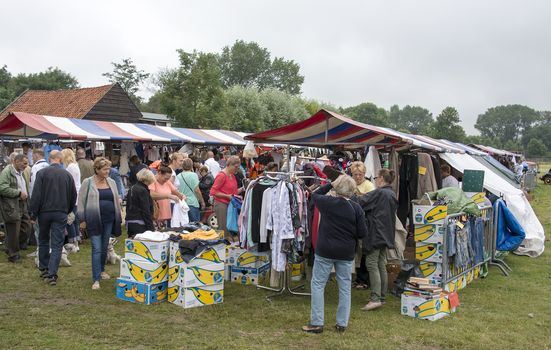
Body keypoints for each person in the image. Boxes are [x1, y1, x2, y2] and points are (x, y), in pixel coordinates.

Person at [302, 175, 367, 334]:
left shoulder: (327, 203)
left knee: (318, 284)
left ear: (337, 188)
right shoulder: (356, 208)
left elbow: (315, 195)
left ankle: (317, 323)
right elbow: (362, 233)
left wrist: (330, 184)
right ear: (352, 190)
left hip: (325, 249)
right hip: (345, 251)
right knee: (344, 287)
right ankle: (341, 324)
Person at [29, 150, 77, 285]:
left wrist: (33, 213)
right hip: (60, 212)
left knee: (43, 240)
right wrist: (67, 210)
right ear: (61, 160)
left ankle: (44, 268)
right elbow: (73, 196)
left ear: (49, 159)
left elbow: (36, 195)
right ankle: (52, 274)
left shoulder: (42, 173)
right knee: (57, 244)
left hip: (44, 212)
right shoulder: (67, 175)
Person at [357, 169, 398, 311]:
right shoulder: (391, 193)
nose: (375, 180)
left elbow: (362, 202)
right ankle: (382, 297)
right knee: (381, 264)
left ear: (381, 178)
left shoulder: (380, 192)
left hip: (376, 233)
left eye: (376, 177)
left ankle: (375, 298)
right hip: (386, 233)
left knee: (372, 263)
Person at [78, 157, 122, 290]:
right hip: (93, 219)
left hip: (109, 219)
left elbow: (116, 197)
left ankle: (102, 270)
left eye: (108, 168)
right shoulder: (88, 182)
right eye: (104, 169)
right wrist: (82, 220)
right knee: (96, 248)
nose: (107, 171)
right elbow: (81, 201)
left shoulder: (112, 182)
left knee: (104, 247)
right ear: (97, 169)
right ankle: (96, 278)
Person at [349, 161, 376, 290]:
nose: (358, 177)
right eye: (355, 174)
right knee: (357, 251)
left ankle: (364, 280)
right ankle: (358, 277)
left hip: (366, 222)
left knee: (364, 251)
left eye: (360, 174)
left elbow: (368, 202)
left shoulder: (369, 186)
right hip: (353, 221)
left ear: (364, 174)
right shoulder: (350, 184)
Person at [0, 153, 32, 263]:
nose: (26, 166)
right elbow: (2, 188)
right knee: (13, 230)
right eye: (24, 163)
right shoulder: (7, 172)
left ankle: (10, 247)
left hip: (22, 203)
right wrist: (18, 193)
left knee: (27, 227)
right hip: (12, 205)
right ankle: (13, 254)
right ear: (16, 161)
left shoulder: (20, 172)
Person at [210, 155, 241, 237]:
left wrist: (244, 188)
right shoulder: (222, 175)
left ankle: (227, 245)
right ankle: (222, 246)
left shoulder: (232, 175)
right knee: (223, 228)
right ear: (229, 164)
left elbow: (234, 192)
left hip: (230, 204)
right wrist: (227, 196)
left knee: (229, 226)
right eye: (236, 167)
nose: (237, 169)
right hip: (221, 204)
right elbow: (213, 191)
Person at [28, 149, 49, 253]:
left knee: (38, 228)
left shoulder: (36, 167)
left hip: (38, 201)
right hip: (48, 201)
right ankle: (47, 248)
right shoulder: (49, 166)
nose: (32, 158)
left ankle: (39, 249)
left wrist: (32, 203)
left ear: (36, 155)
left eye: (33, 156)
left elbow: (33, 187)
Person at [125, 168, 155, 238]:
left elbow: (128, 206)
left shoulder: (132, 188)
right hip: (140, 222)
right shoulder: (143, 190)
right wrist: (151, 228)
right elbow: (145, 210)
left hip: (130, 221)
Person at [61, 149, 82, 247]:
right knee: (74, 219)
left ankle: (73, 242)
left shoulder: (70, 167)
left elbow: (70, 183)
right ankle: (76, 240)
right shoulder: (74, 165)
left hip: (72, 196)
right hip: (76, 195)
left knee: (70, 220)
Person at [177, 158, 206, 222]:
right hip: (192, 203)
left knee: (184, 224)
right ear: (191, 165)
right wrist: (202, 202)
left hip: (182, 203)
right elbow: (197, 190)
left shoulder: (178, 176)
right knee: (195, 224)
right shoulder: (193, 175)